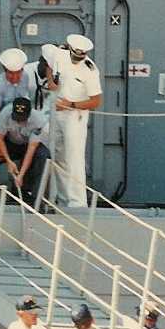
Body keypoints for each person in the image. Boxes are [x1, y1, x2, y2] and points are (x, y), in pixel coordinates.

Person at [48, 33, 102, 208]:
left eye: (81, 55)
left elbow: (95, 101)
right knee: (58, 156)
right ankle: (63, 199)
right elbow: (50, 66)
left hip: (75, 114)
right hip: (57, 111)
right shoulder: (60, 55)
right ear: (69, 49)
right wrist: (51, 83)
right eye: (75, 55)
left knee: (74, 159)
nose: (77, 58)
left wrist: (70, 104)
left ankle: (78, 203)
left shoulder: (90, 70)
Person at [0, 97, 50, 207]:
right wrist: (8, 161)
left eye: (22, 118)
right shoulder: (5, 113)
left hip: (28, 145)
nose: (19, 121)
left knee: (43, 156)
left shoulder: (38, 120)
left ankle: (36, 200)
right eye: (16, 117)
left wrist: (21, 175)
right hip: (10, 143)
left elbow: (31, 148)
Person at [0, 48, 30, 155]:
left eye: (18, 73)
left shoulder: (26, 77)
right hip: (4, 127)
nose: (15, 77)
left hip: (24, 124)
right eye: (11, 73)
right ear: (4, 70)